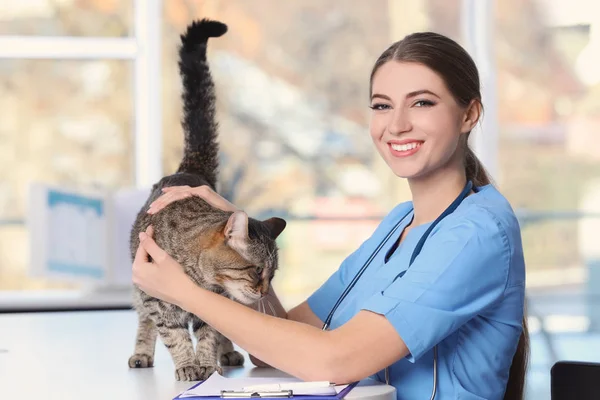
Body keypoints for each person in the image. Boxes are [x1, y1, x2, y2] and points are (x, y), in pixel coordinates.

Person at [135, 31, 529, 400]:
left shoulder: (477, 232)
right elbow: (278, 349)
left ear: (469, 114)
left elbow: (334, 360)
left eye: (422, 102)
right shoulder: (399, 223)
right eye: (382, 106)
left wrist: (186, 292)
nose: (397, 124)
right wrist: (240, 240)